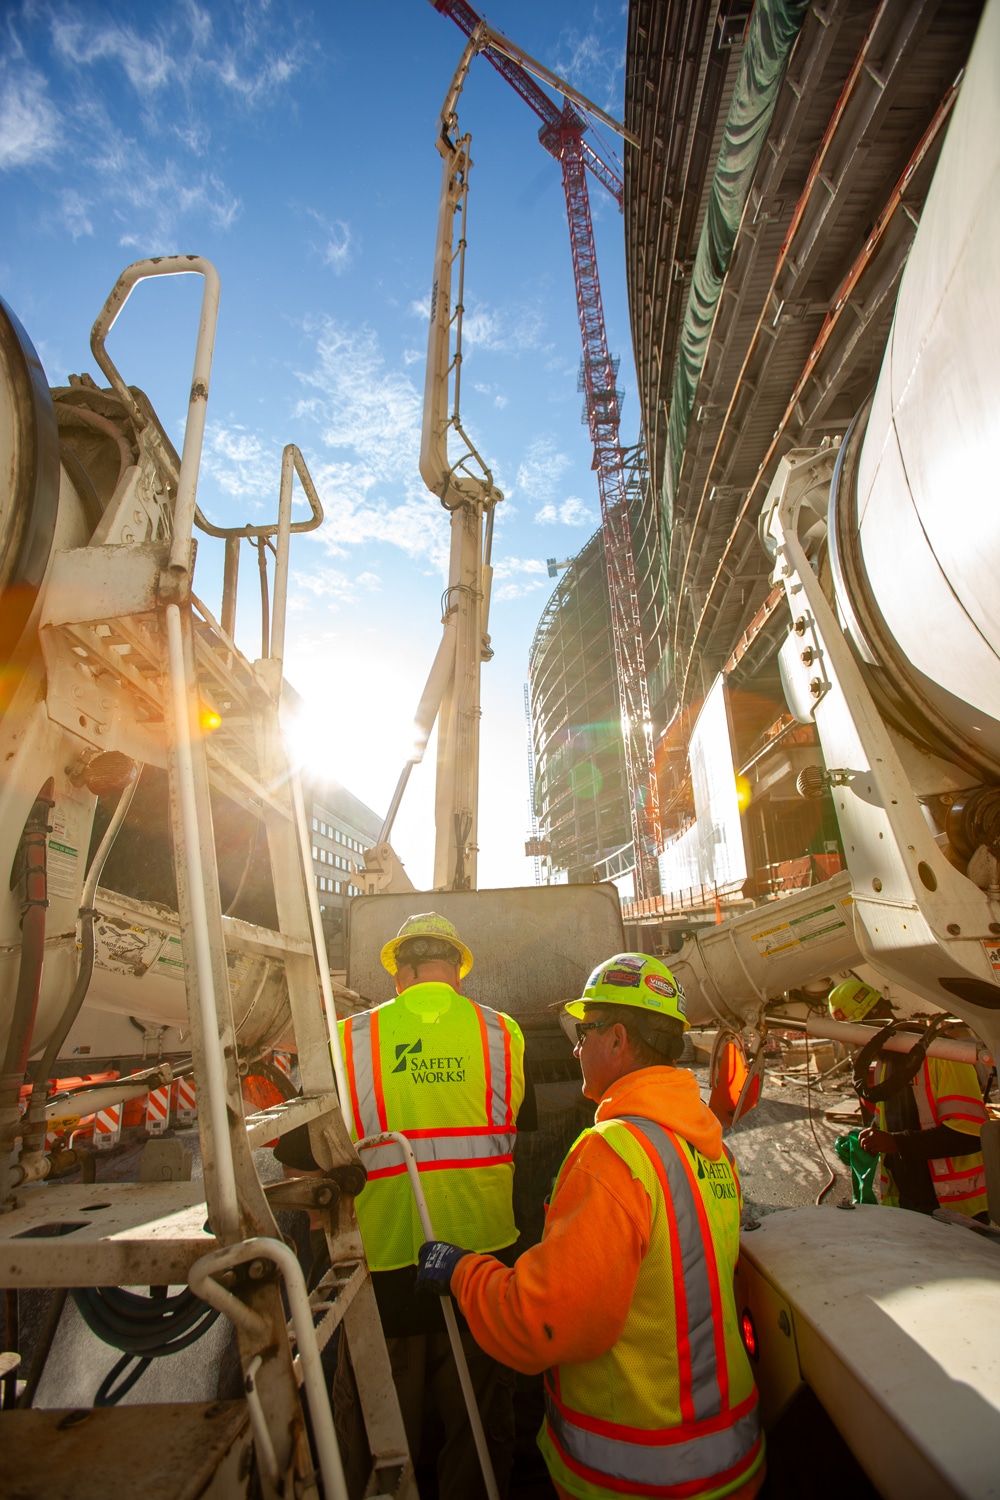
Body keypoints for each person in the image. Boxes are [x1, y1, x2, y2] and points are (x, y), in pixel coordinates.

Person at [416, 952, 765, 1500]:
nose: (576, 1047)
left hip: (643, 1477)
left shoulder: (613, 1154)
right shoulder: (707, 1148)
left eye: (584, 1032)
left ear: (618, 1040)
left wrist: (461, 1271)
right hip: (730, 1457)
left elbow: (541, 1324)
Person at [302, 911, 529, 1500]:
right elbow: (515, 1126)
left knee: (384, 1434)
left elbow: (310, 1144)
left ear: (400, 973)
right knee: (477, 1427)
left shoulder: (353, 1038)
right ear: (456, 970)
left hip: (389, 1263)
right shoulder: (502, 1034)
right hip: (481, 1262)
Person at [830, 979, 989, 1220]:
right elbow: (895, 1121)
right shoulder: (887, 1062)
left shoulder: (943, 1054)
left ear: (880, 1016)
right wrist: (871, 1138)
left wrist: (896, 1143)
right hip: (909, 1205)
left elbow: (970, 1134)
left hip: (957, 1209)